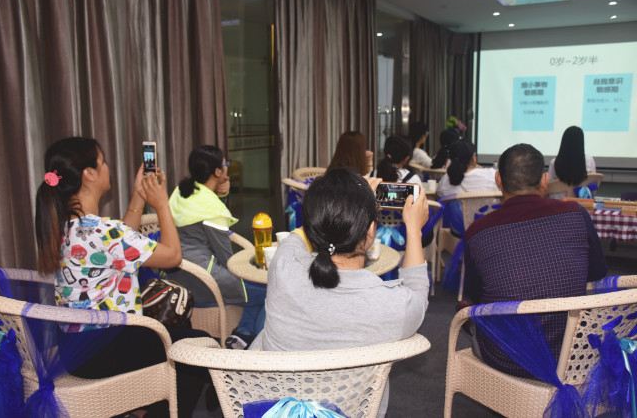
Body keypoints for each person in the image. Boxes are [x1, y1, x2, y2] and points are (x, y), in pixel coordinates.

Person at [35, 137, 209, 417]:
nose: (107, 167)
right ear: (89, 174)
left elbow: (118, 249)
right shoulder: (102, 231)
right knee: (199, 346)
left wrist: (139, 196)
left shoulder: (65, 226)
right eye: (102, 162)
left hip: (76, 349)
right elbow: (173, 256)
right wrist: (162, 204)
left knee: (180, 330)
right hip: (106, 347)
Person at [250, 168, 430, 417]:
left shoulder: (283, 266)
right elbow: (417, 290)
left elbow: (297, 236)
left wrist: (337, 206)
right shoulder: (390, 306)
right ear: (370, 232)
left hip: (269, 408)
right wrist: (414, 230)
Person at [463, 143, 607, 377]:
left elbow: (476, 297)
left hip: (508, 358)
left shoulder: (478, 232)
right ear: (544, 180)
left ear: (498, 180)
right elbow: (597, 272)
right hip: (573, 352)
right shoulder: (576, 214)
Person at [168, 145, 266, 349]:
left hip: (177, 276)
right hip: (205, 282)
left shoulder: (181, 191)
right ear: (217, 172)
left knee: (261, 287)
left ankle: (243, 335)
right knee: (271, 292)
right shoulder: (211, 208)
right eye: (225, 164)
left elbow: (200, 223)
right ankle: (258, 344)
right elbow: (228, 259)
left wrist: (221, 196)